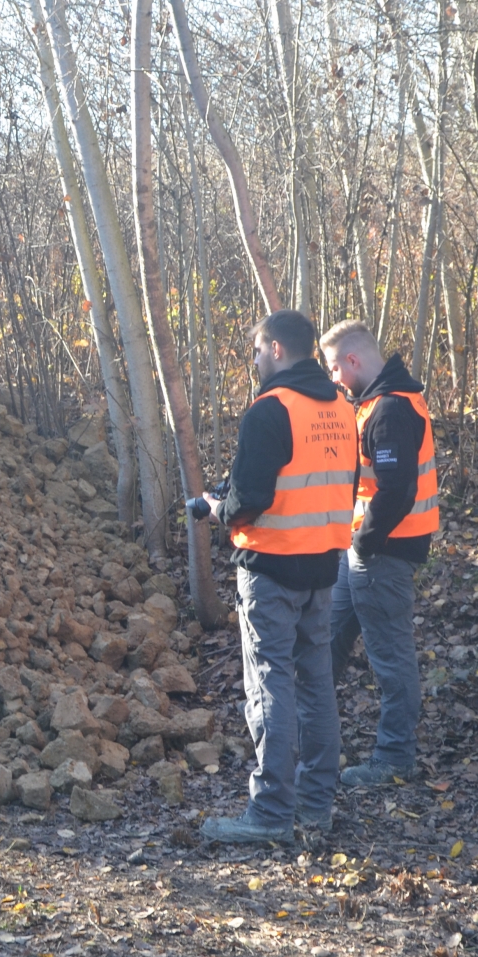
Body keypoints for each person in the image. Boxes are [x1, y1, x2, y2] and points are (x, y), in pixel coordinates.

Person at [199, 309, 358, 844]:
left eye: (256, 350)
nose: (255, 359)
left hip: (271, 567)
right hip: (322, 567)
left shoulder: (269, 411)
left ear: (274, 348)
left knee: (270, 686)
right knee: (317, 685)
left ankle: (268, 814)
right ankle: (315, 808)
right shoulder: (341, 406)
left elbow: (250, 500)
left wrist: (217, 509)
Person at [318, 320, 440, 787]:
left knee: (390, 659)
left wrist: (365, 541)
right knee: (328, 642)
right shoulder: (377, 404)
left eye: (333, 369)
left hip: (382, 553)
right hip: (366, 550)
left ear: (352, 361)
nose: (333, 380)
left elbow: (396, 491)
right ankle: (310, 738)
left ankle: (394, 760)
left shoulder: (389, 410)